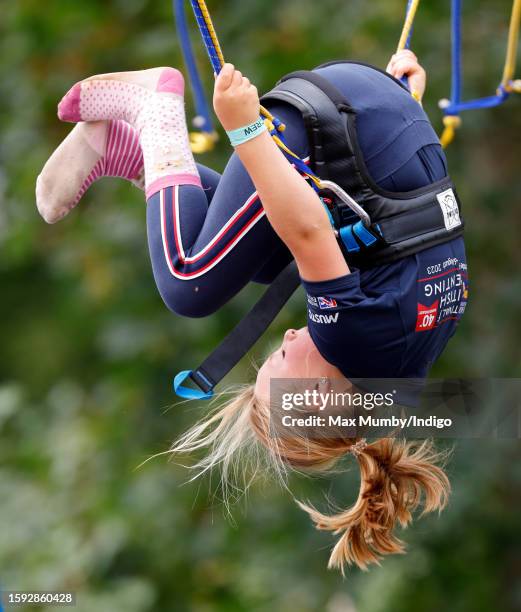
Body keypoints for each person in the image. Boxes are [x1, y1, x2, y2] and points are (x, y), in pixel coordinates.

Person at [36, 50, 467, 572]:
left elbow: (401, 246)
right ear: (319, 393)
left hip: (384, 117)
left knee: (259, 269)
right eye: (279, 365)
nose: (282, 342)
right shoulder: (349, 342)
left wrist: (404, 101)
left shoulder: (400, 372)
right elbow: (306, 229)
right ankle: (153, 110)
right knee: (188, 283)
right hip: (327, 127)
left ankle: (123, 153)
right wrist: (246, 132)